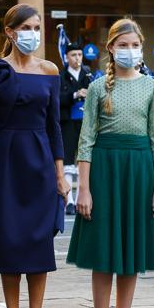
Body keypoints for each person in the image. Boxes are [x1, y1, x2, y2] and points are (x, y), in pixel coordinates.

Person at [67, 19, 154, 308]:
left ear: (142, 48)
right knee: (103, 254)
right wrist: (84, 188)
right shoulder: (97, 87)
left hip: (139, 171)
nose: (129, 50)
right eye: (122, 45)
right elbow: (86, 140)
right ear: (111, 48)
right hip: (104, 171)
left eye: (134, 45)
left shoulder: (151, 86)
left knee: (130, 255)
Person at [0, 4, 69, 308]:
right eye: (26, 27)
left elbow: (54, 125)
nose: (33, 34)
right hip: (5, 160)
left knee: (39, 246)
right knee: (9, 245)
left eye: (37, 27)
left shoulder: (50, 71)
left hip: (41, 161)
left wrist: (61, 173)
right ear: (10, 32)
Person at [59, 42, 93, 215]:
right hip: (67, 124)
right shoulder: (61, 76)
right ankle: (69, 201)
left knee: (84, 160)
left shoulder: (88, 75)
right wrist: (75, 95)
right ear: (67, 57)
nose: (77, 58)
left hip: (85, 123)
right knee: (67, 162)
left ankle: (81, 197)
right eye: (74, 55)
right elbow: (56, 99)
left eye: (80, 55)